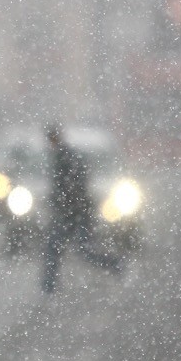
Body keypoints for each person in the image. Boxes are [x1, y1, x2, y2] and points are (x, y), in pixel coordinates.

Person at [40, 122, 121, 293]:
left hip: (74, 213)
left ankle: (115, 264)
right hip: (72, 213)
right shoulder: (62, 157)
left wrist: (66, 204)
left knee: (77, 250)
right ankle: (48, 286)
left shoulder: (66, 158)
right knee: (61, 249)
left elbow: (74, 186)